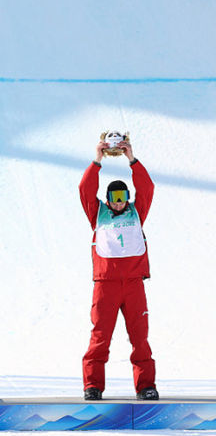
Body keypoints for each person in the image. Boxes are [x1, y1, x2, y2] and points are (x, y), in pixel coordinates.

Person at [79, 139, 158, 401]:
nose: (119, 202)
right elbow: (85, 189)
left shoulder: (137, 213)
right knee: (100, 337)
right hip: (106, 285)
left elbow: (146, 188)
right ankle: (93, 386)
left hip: (134, 284)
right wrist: (97, 160)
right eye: (114, 198)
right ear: (108, 199)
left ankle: (145, 385)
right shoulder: (97, 214)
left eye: (123, 197)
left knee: (140, 338)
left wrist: (131, 159)